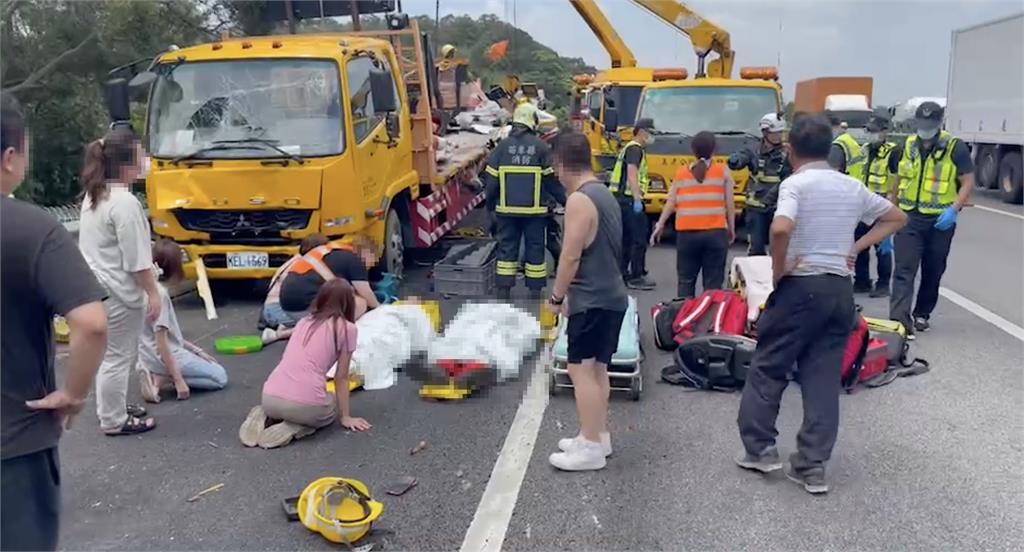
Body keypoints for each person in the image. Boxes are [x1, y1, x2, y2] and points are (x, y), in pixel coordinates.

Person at [734, 113, 906, 494]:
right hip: (839, 291)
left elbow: (780, 228)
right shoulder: (850, 186)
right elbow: (896, 216)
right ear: (829, 150)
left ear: (791, 149)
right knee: (823, 377)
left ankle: (760, 449)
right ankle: (811, 466)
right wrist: (855, 248)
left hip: (801, 288)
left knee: (768, 367)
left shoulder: (795, 185)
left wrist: (779, 270)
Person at [1, 94, 108, 551]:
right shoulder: (30, 229)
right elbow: (91, 324)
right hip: (15, 445)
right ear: (10, 157)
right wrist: (74, 394)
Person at [546, 131, 628, 472]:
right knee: (597, 369)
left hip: (592, 299)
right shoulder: (603, 193)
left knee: (580, 369)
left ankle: (591, 448)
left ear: (561, 163)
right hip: (611, 295)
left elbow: (570, 257)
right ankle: (596, 435)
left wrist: (556, 297)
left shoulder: (579, 200)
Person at [78, 125, 160, 436]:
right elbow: (137, 260)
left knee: (111, 355)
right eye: (141, 156)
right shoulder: (125, 203)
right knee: (117, 356)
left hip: (98, 287)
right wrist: (153, 292)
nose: (146, 161)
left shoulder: (96, 194)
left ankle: (113, 407)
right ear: (127, 164)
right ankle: (113, 419)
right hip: (119, 293)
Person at [239, 279, 367, 449]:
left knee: (297, 397)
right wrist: (345, 417)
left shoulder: (304, 322)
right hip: (304, 407)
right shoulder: (348, 329)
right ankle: (297, 425)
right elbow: (341, 377)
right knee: (331, 405)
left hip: (269, 398)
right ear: (348, 302)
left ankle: (264, 413)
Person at [887, 101, 974, 334]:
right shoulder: (906, 146)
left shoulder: (954, 147)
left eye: (930, 124)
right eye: (922, 123)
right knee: (904, 270)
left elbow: (968, 180)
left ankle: (922, 313)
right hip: (908, 218)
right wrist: (889, 213)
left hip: (940, 221)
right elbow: (897, 180)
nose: (925, 128)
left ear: (939, 123)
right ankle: (899, 321)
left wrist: (954, 209)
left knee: (933, 269)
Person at [484, 101, 565, 300]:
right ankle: (535, 291)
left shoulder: (502, 148)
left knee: (507, 249)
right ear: (532, 121)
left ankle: (504, 290)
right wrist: (566, 200)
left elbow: (491, 182)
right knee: (535, 249)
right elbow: (551, 181)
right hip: (535, 213)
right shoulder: (541, 147)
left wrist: (490, 206)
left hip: (506, 212)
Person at [138, 239, 228, 402]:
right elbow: (162, 342)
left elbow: (165, 336)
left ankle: (158, 375)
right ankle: (164, 377)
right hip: (165, 357)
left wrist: (196, 351)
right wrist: (178, 380)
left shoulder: (141, 288)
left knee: (206, 365)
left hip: (146, 356)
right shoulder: (160, 295)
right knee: (220, 377)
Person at [651, 131, 736, 298]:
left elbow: (671, 201)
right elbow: (730, 204)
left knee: (685, 282)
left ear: (693, 150)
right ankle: (710, 321)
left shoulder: (681, 173)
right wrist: (731, 228)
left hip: (687, 235)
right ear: (714, 150)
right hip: (715, 234)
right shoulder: (723, 172)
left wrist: (660, 224)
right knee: (713, 285)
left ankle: (684, 319)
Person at [730, 113, 792, 255]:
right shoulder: (753, 151)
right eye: (775, 133)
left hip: (779, 209)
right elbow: (741, 159)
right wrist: (735, 160)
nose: (778, 136)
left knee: (778, 250)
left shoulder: (787, 153)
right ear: (764, 132)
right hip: (756, 211)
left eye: (780, 133)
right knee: (756, 250)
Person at [278, 235, 380, 319]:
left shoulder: (332, 251)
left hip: (287, 306)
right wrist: (381, 309)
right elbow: (366, 294)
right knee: (360, 303)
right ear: (368, 253)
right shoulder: (355, 260)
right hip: (305, 306)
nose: (372, 265)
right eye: (373, 260)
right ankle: (337, 333)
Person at [608, 118, 656, 290]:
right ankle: (636, 275)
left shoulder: (629, 147)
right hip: (628, 199)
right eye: (651, 132)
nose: (652, 137)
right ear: (642, 132)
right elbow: (632, 174)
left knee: (626, 239)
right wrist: (637, 198)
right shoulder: (635, 149)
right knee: (638, 239)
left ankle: (622, 273)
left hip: (621, 199)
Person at [853, 114, 898, 297]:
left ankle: (883, 284)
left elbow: (896, 181)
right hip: (864, 205)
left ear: (885, 132)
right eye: (869, 131)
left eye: (875, 131)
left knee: (882, 248)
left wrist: (891, 208)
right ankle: (862, 281)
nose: (871, 135)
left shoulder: (893, 151)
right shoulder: (864, 149)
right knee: (860, 244)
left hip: (882, 205)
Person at [261, 233, 329, 344]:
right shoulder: (308, 264)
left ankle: (284, 326)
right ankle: (279, 334)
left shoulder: (296, 259)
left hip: (270, 308)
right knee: (320, 324)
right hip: (278, 309)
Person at [827, 113, 865, 180]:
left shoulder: (837, 146)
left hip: (845, 183)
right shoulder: (848, 139)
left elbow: (831, 173)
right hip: (855, 181)